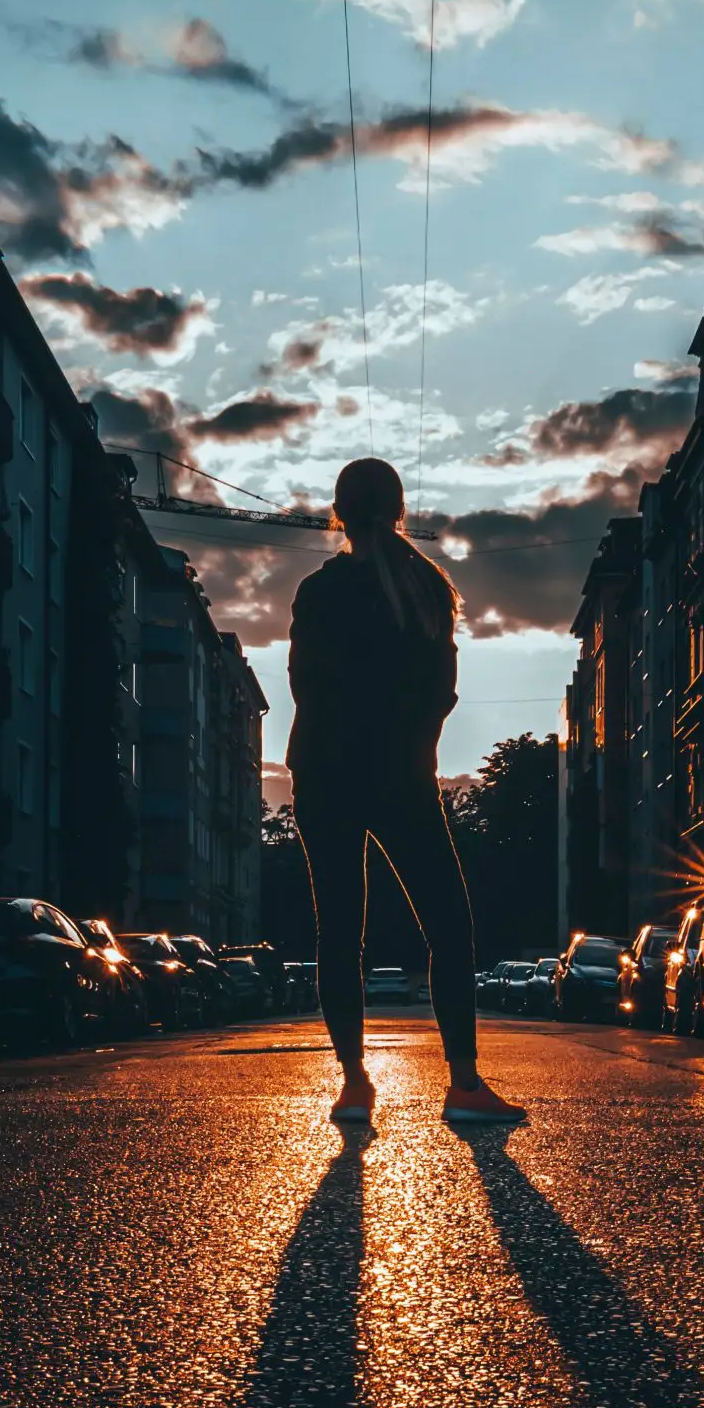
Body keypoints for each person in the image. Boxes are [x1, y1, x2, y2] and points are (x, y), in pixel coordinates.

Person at [288, 458, 526, 1127]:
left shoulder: (319, 589)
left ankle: (356, 1084)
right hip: (399, 775)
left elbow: (305, 683)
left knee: (339, 929)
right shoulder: (425, 585)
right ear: (398, 511)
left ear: (338, 510)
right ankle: (465, 1083)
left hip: (325, 773)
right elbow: (442, 691)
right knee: (449, 924)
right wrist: (410, 748)